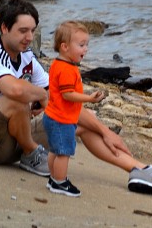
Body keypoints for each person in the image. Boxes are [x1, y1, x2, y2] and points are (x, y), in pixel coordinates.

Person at [0, 0, 152, 197]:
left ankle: (139, 171)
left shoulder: (26, 57)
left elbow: (63, 101)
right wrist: (41, 96)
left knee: (73, 122)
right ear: (5, 28)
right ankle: (30, 153)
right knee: (19, 97)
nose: (29, 37)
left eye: (33, 30)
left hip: (13, 140)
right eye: (22, 31)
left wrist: (106, 132)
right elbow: (16, 92)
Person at [43, 21, 105, 197]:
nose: (85, 49)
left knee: (55, 150)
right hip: (61, 119)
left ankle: (54, 179)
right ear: (64, 47)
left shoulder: (58, 64)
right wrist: (89, 98)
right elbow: (68, 94)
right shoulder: (67, 69)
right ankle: (60, 182)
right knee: (63, 152)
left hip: (53, 116)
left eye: (86, 45)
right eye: (81, 45)